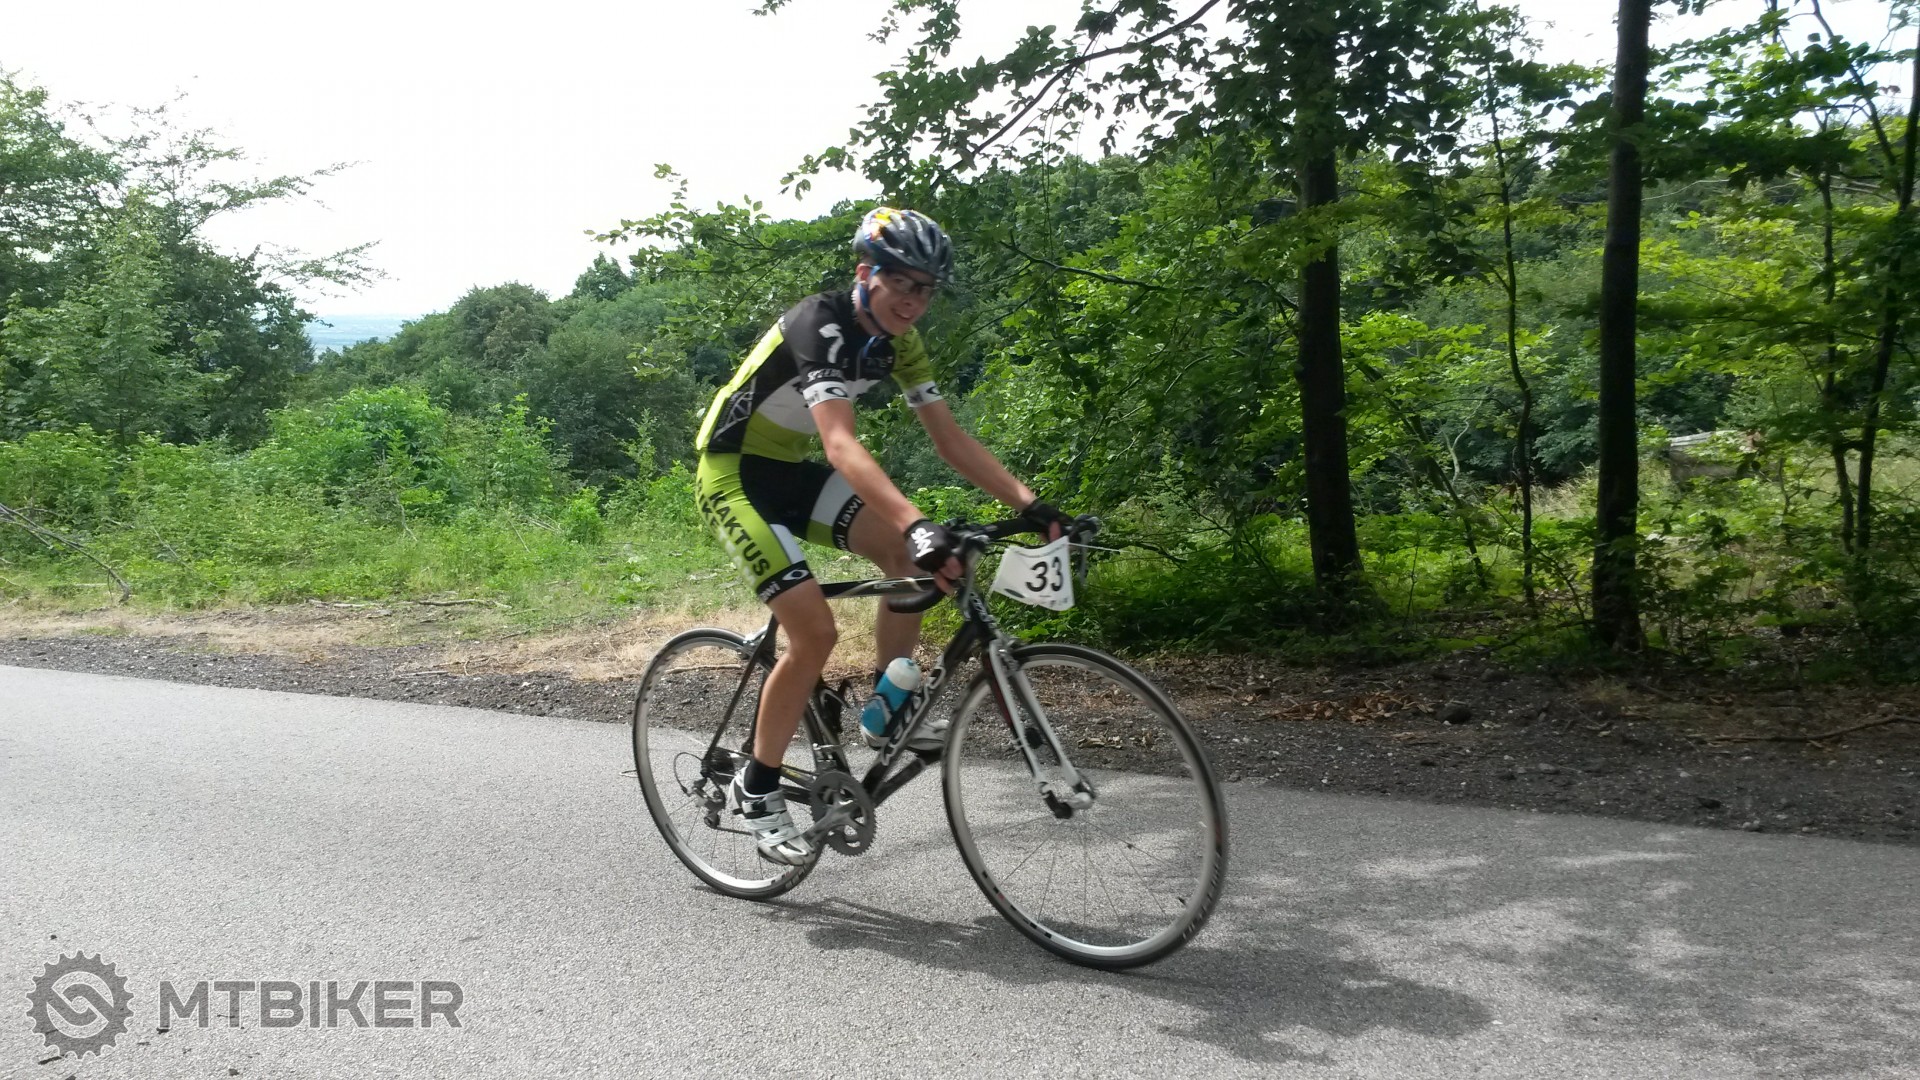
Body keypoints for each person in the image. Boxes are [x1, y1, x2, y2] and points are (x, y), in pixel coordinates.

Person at [692, 207, 1066, 865]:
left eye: (926, 289)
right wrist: (917, 523)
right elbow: (840, 443)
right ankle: (758, 786)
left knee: (910, 563)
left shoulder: (901, 345)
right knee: (815, 631)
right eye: (902, 283)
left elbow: (949, 439)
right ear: (866, 272)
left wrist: (1032, 505)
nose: (914, 301)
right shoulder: (818, 323)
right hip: (733, 474)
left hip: (791, 473)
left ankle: (886, 709)